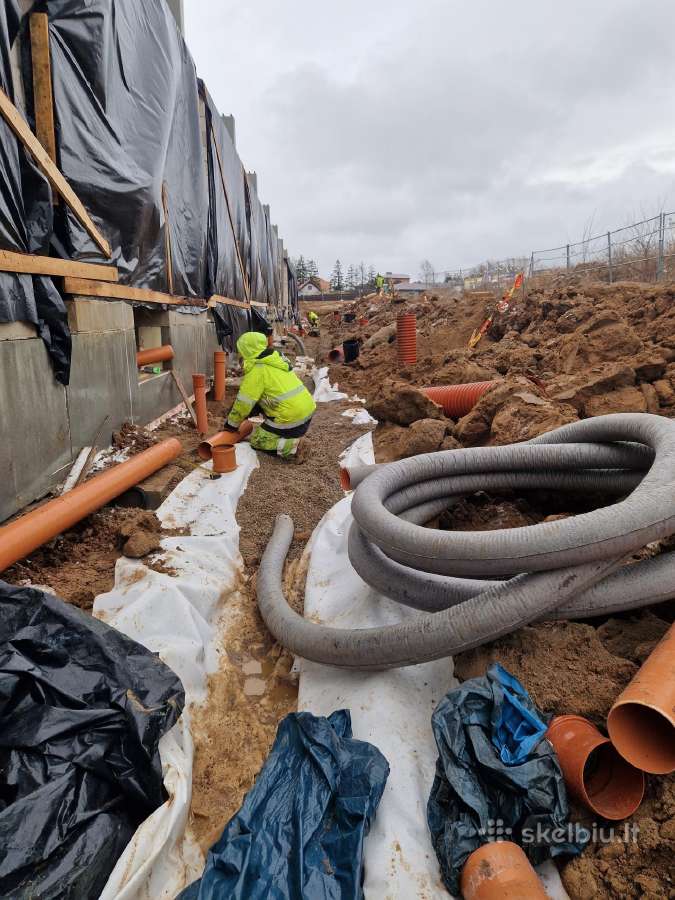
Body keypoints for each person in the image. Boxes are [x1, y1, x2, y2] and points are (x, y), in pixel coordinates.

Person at [224, 332, 316, 460]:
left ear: (247, 350)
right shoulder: (274, 361)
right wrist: (257, 408)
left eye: (241, 351)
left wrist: (231, 425)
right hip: (307, 412)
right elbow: (273, 391)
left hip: (292, 419)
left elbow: (244, 403)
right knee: (267, 417)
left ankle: (295, 446)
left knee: (258, 439)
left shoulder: (257, 370)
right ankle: (290, 436)